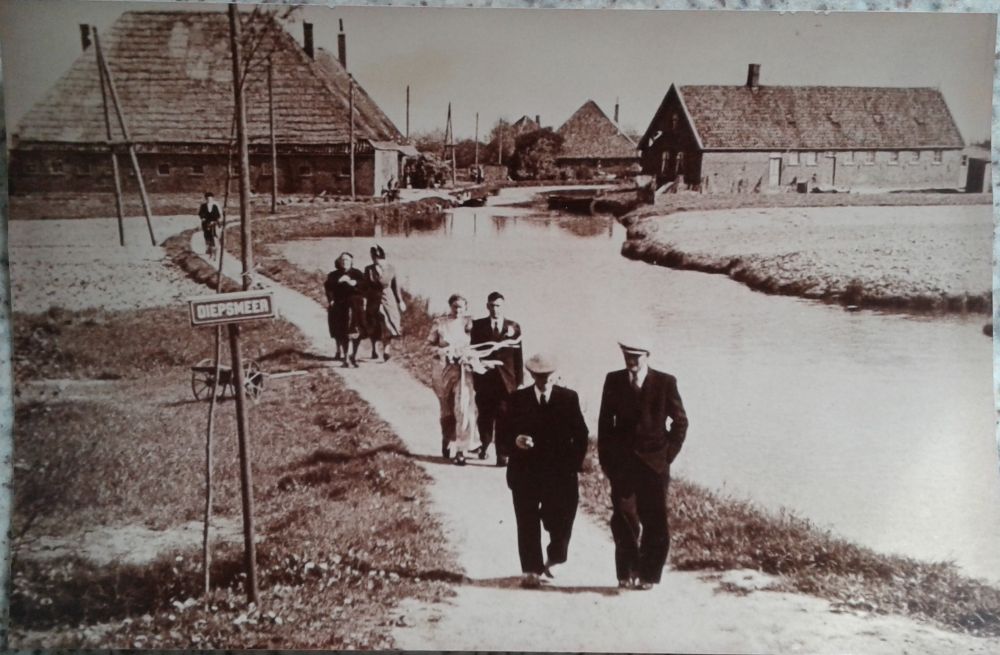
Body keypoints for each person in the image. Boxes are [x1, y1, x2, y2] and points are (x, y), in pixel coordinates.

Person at [598, 337, 689, 590]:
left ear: (647, 356)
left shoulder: (665, 382)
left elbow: (680, 422)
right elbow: (605, 424)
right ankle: (626, 572)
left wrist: (667, 454)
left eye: (636, 356)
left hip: (655, 465)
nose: (631, 361)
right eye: (627, 355)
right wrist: (606, 459)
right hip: (623, 465)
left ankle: (648, 574)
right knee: (624, 517)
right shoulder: (614, 380)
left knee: (655, 520)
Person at [499, 353, 589, 589]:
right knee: (526, 520)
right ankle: (531, 569)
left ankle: (557, 556)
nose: (544, 381)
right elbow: (503, 435)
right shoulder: (517, 399)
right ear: (530, 375)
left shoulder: (568, 399)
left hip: (560, 474)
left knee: (561, 519)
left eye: (548, 376)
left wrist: (573, 464)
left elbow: (581, 435)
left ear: (555, 375)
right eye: (539, 376)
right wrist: (515, 441)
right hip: (525, 472)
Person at [426, 294, 481, 465]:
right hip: (443, 370)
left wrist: (469, 356)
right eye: (455, 306)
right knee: (447, 408)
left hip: (463, 371)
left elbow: (477, 345)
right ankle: (447, 439)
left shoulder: (469, 323)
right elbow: (429, 345)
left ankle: (461, 450)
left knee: (464, 407)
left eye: (461, 307)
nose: (458, 310)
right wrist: (443, 351)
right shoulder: (440, 323)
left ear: (466, 308)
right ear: (450, 306)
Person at [470, 291, 523, 466]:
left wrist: (520, 381)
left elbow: (518, 356)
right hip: (485, 379)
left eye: (498, 306)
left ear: (503, 306)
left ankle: (502, 454)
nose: (495, 309)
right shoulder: (478, 326)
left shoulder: (514, 327)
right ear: (487, 306)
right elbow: (472, 353)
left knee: (504, 417)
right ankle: (484, 444)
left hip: (507, 382)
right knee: (485, 415)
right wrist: (480, 368)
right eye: (492, 306)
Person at [363, 245, 406, 361]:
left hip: (387, 298)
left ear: (382, 257)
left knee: (389, 323)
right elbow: (365, 286)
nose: (376, 260)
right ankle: (374, 349)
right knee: (373, 324)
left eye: (378, 257)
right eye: (374, 257)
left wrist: (400, 301)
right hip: (373, 299)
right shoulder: (369, 269)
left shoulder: (391, 269)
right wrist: (364, 299)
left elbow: (396, 286)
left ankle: (386, 350)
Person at [324, 252, 365, 367]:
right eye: (342, 260)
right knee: (343, 332)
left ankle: (354, 356)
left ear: (351, 261)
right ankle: (346, 357)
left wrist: (355, 282)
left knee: (357, 331)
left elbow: (365, 286)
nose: (345, 262)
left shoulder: (357, 273)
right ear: (339, 262)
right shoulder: (333, 275)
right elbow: (328, 288)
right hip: (341, 305)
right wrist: (331, 299)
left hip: (356, 306)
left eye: (347, 260)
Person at [198, 191, 221, 257]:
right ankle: (208, 248)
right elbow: (200, 213)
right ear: (206, 199)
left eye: (210, 199)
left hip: (213, 223)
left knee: (214, 235)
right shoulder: (203, 206)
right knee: (207, 235)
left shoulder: (214, 206)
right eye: (208, 199)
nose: (209, 200)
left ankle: (215, 247)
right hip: (206, 223)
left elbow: (217, 215)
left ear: (212, 199)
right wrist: (203, 218)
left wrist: (215, 220)